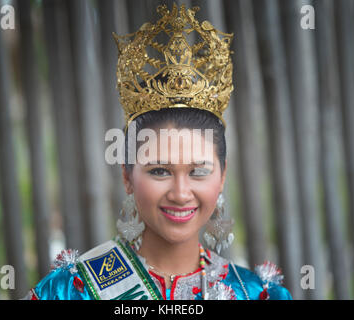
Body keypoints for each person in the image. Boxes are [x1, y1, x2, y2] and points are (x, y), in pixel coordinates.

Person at [26, 3, 292, 300]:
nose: (180, 193)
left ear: (223, 175)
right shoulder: (68, 292)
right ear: (127, 175)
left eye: (198, 171)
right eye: (159, 171)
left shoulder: (257, 295)